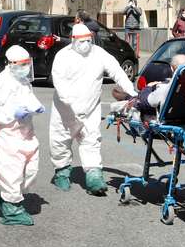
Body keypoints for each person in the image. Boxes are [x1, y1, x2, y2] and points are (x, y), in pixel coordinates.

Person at [49, 23, 137, 194]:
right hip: (65, 110)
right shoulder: (63, 56)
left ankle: (94, 176)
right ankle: (62, 172)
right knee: (60, 141)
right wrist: (66, 97)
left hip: (90, 109)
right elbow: (58, 79)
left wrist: (131, 91)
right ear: (73, 40)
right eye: (81, 41)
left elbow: (117, 72)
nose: (85, 44)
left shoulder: (99, 54)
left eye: (88, 40)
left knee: (91, 140)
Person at [0, 45, 45, 226]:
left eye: (28, 64)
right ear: (10, 64)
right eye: (22, 64)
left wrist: (36, 107)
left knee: (30, 169)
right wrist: (13, 113)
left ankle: (6, 199)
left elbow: (28, 98)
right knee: (11, 171)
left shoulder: (23, 80)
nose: (26, 67)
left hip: (26, 132)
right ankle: (12, 209)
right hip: (6, 134)